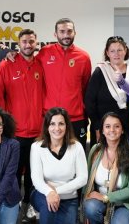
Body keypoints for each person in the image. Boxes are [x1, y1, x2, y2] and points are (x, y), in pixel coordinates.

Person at [0, 29, 44, 222]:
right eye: (24, 41)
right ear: (18, 43)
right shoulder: (7, 64)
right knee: (13, 172)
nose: (28, 45)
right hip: (15, 131)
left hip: (38, 131)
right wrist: (6, 126)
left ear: (36, 42)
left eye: (31, 41)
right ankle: (12, 207)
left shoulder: (42, 65)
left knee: (34, 173)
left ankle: (29, 205)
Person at [30, 107, 87, 224]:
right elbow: (36, 178)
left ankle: (53, 221)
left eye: (61, 124)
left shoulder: (76, 147)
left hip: (68, 198)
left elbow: (83, 178)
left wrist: (57, 191)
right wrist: (50, 192)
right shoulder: (37, 147)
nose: (57, 128)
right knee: (48, 203)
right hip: (42, 194)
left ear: (67, 126)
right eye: (52, 124)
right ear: (47, 127)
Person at [80, 112, 129, 224]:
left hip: (123, 204)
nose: (112, 130)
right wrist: (86, 198)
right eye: (107, 126)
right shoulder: (95, 150)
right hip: (100, 201)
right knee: (89, 206)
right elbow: (88, 179)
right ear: (102, 130)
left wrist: (106, 197)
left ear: (122, 129)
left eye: (116, 126)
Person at [36, 18, 92, 148]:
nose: (66, 35)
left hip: (76, 119)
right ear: (55, 34)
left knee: (77, 158)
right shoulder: (44, 52)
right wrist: (10, 54)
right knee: (50, 158)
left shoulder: (84, 57)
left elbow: (85, 87)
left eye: (69, 31)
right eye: (62, 31)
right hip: (50, 118)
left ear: (75, 33)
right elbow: (27, 62)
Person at [85, 36, 129, 137]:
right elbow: (89, 101)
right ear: (107, 53)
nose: (116, 54)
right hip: (102, 128)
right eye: (112, 51)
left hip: (126, 128)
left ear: (125, 51)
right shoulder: (100, 71)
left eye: (119, 50)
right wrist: (97, 126)